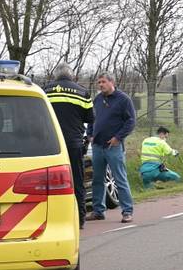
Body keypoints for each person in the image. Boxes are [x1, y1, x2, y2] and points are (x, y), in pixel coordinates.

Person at [43, 64, 94, 229]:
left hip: (50, 144)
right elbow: (90, 118)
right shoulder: (82, 92)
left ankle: (50, 219)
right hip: (73, 143)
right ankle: (80, 219)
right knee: (77, 180)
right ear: (72, 76)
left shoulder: (44, 91)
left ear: (55, 75)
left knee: (48, 183)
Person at [85, 72, 136, 223]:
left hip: (114, 147)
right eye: (98, 82)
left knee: (120, 179)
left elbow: (131, 121)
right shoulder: (98, 99)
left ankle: (127, 211)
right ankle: (98, 210)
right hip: (97, 146)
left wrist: (118, 138)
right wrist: (90, 134)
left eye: (103, 82)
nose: (100, 85)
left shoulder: (123, 99)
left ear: (111, 82)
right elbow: (91, 119)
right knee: (97, 180)